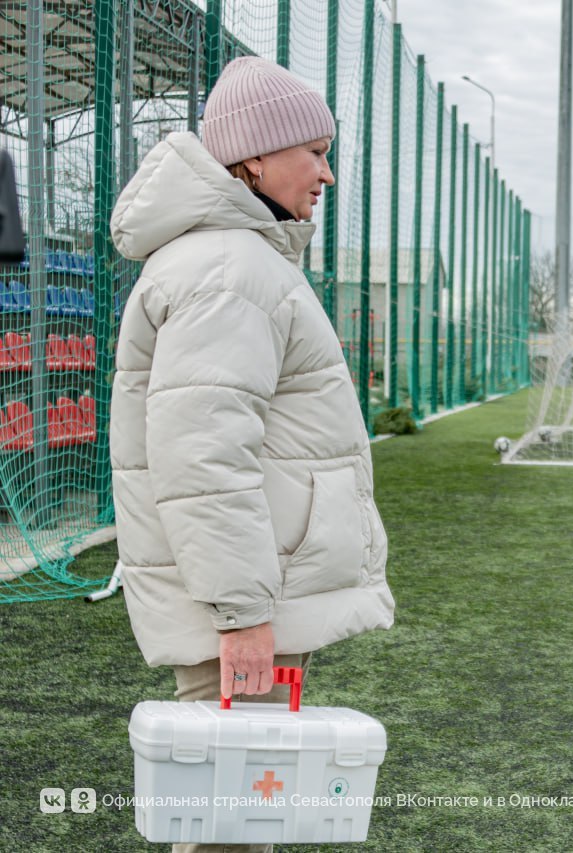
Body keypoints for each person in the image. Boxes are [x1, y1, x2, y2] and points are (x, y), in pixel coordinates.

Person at [111, 57, 395, 851]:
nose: (327, 174)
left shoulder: (236, 259)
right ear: (255, 160)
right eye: (315, 151)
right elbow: (202, 460)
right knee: (230, 827)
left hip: (248, 592)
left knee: (234, 820)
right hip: (237, 606)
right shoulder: (230, 270)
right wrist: (242, 616)